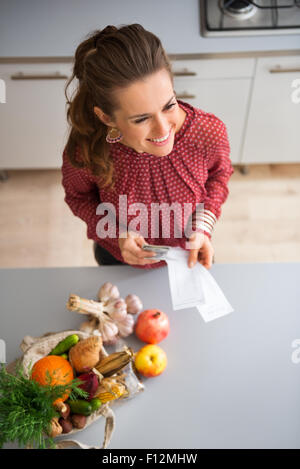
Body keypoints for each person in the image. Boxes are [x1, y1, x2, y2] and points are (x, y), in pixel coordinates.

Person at [62, 24, 234, 270]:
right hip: (119, 260)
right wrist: (118, 235)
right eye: (141, 119)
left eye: (169, 105)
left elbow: (219, 175)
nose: (164, 130)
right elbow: (78, 198)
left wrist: (203, 227)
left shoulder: (207, 132)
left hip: (190, 255)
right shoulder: (87, 150)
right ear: (106, 118)